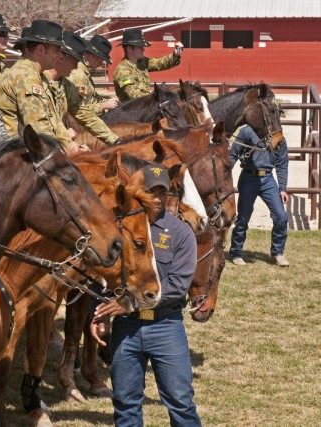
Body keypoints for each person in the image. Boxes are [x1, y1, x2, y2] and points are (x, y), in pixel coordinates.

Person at [90, 164, 201, 426]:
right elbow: (103, 274)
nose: (158, 198)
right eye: (152, 192)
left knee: (181, 402)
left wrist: (128, 302)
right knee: (125, 404)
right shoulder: (120, 229)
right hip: (126, 328)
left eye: (163, 192)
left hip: (165, 325)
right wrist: (99, 312)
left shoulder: (181, 233)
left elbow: (178, 284)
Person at [0, 19, 77, 151]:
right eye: (56, 50)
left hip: (29, 151)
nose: (59, 55)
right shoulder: (24, 76)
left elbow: (53, 119)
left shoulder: (39, 75)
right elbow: (38, 129)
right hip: (13, 155)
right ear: (41, 49)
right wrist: (66, 152)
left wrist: (71, 146)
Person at [229, 126, 290, 266]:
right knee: (243, 218)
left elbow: (282, 164)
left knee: (281, 216)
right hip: (248, 178)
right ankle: (236, 253)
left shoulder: (278, 136)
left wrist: (282, 189)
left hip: (268, 179)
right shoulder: (247, 131)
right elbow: (232, 156)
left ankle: (277, 253)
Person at [50, 33, 122, 145]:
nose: (76, 66)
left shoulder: (74, 79)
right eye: (74, 61)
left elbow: (83, 110)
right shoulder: (77, 75)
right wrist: (103, 106)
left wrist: (114, 140)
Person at [113, 29, 183, 103]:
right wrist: (156, 96)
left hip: (145, 107)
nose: (143, 49)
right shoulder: (123, 70)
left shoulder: (142, 61)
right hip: (132, 112)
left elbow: (159, 63)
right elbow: (134, 95)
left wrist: (175, 55)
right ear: (129, 49)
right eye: (140, 47)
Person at [68, 35, 120, 118]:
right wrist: (103, 106)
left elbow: (93, 96)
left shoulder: (85, 73)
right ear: (94, 57)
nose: (101, 64)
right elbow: (78, 109)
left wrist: (108, 101)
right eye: (102, 59)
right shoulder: (78, 74)